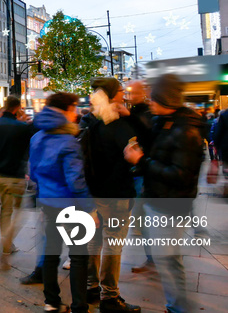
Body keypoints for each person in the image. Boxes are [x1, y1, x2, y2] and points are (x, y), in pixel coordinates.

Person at [124, 74, 205, 313]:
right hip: (158, 197)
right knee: (168, 259)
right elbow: (150, 138)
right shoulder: (165, 121)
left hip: (170, 205)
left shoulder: (186, 130)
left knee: (167, 260)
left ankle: (179, 307)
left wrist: (142, 160)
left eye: (153, 97)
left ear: (166, 100)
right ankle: (177, 305)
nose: (149, 101)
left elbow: (180, 174)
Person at [30, 92, 99, 313]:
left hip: (48, 203)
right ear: (66, 110)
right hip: (72, 207)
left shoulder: (37, 137)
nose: (77, 112)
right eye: (74, 107)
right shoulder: (69, 142)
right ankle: (79, 305)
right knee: (79, 255)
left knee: (51, 253)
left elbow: (32, 173)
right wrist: (91, 210)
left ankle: (51, 302)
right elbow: (76, 181)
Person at [81, 78, 141, 313]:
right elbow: (139, 149)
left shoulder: (91, 123)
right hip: (116, 195)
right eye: (120, 90)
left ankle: (91, 286)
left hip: (95, 193)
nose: (124, 92)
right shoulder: (120, 127)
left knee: (93, 242)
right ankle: (110, 297)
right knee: (113, 243)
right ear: (113, 95)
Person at [0, 95, 33, 270]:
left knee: (5, 210)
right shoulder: (22, 127)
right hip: (16, 176)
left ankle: (7, 243)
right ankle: (6, 244)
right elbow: (28, 151)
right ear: (17, 108)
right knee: (19, 213)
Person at [125, 80, 155, 274]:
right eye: (128, 93)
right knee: (141, 220)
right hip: (136, 171)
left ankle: (155, 259)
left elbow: (147, 133)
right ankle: (154, 258)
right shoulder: (135, 112)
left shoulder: (146, 114)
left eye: (133, 93)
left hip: (144, 172)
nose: (129, 96)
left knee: (143, 219)